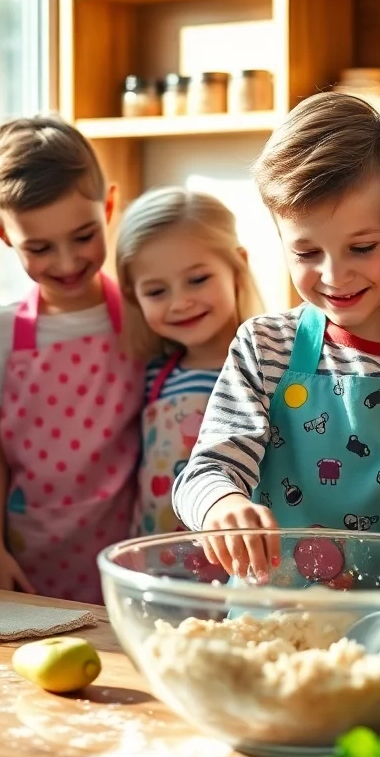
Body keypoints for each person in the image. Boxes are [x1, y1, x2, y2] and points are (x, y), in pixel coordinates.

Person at [172, 93, 380, 583]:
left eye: (362, 247)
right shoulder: (264, 347)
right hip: (275, 619)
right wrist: (222, 505)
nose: (335, 274)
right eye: (307, 252)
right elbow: (202, 474)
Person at [0, 115, 143, 603]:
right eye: (40, 248)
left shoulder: (142, 317)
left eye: (83, 236)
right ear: (2, 232)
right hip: (29, 552)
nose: (66, 263)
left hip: (126, 552)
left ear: (108, 205)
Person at [116, 187, 262, 538]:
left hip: (236, 558)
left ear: (237, 265)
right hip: (156, 557)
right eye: (156, 291)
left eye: (197, 280)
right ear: (133, 296)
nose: (180, 303)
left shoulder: (266, 370)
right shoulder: (153, 375)